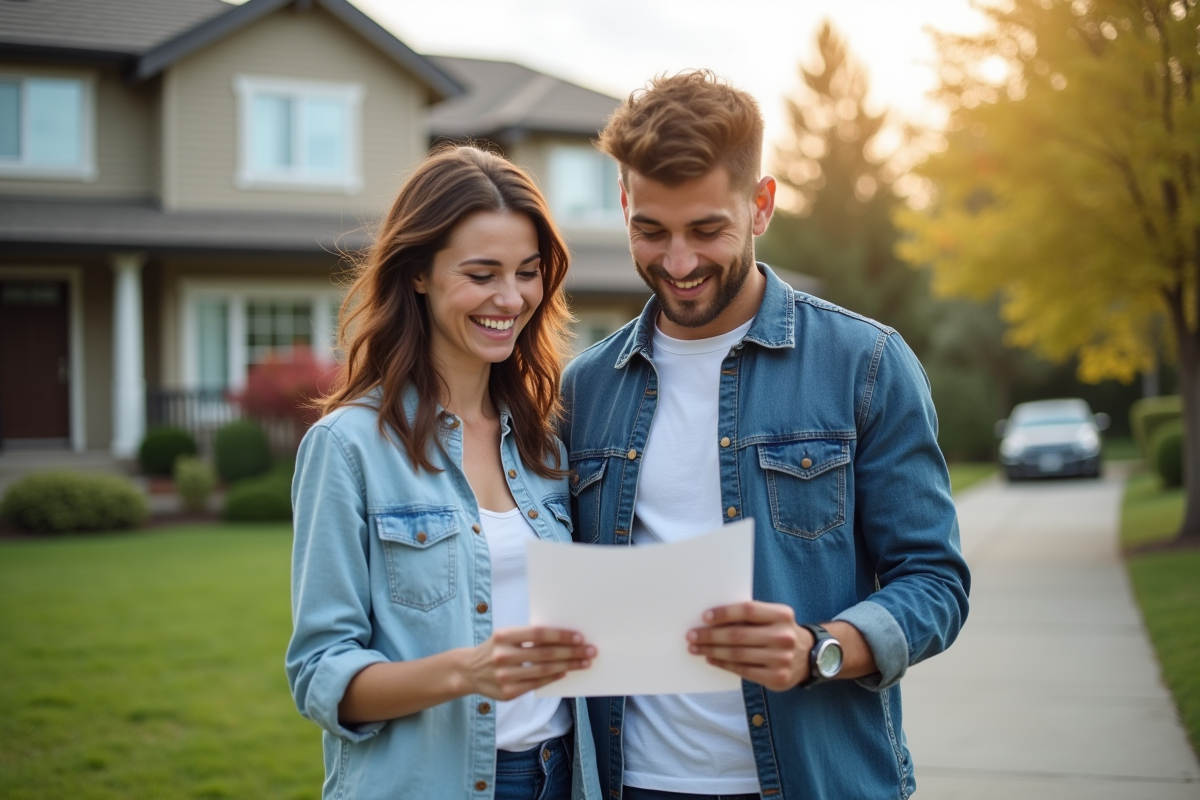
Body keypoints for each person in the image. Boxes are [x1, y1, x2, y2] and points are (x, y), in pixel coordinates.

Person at [559, 71, 970, 800]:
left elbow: (935, 582)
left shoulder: (865, 363)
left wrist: (822, 649)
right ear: (623, 205)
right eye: (650, 231)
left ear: (762, 204)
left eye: (706, 230)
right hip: (634, 785)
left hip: (819, 780)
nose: (678, 263)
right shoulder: (584, 389)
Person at [286, 145, 602, 800]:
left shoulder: (546, 442)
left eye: (528, 272)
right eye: (482, 274)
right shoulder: (347, 447)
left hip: (561, 776)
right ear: (418, 275)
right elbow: (321, 674)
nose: (510, 298)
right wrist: (465, 672)